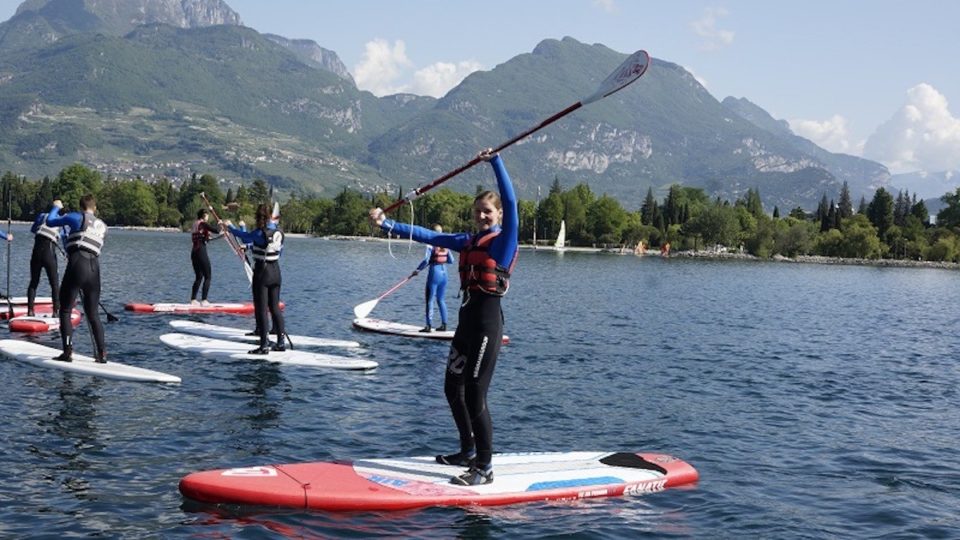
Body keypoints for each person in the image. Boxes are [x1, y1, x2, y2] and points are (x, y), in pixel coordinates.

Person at [369, 148, 518, 486]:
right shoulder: (466, 241)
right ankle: (466, 450)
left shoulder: (503, 243)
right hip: (466, 325)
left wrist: (495, 162)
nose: (483, 216)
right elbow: (428, 235)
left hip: (486, 325)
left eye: (489, 212)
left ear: (498, 215)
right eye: (479, 211)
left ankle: (485, 466)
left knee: (476, 393)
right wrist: (386, 224)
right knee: (453, 388)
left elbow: (512, 203)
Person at [46, 195, 107, 363]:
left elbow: (50, 222)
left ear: (81, 207)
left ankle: (67, 352)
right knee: (93, 314)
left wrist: (56, 207)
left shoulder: (76, 217)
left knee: (65, 310)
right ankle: (102, 354)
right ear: (94, 208)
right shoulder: (103, 226)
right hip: (95, 269)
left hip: (77, 265)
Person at [228, 204, 285, 354]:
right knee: (274, 308)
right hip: (276, 272)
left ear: (258, 217)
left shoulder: (259, 233)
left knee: (261, 309)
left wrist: (229, 228)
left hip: (262, 273)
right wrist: (248, 246)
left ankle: (264, 345)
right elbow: (259, 245)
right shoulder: (278, 232)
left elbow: (245, 237)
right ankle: (280, 342)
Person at [413, 225, 455, 333]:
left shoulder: (430, 244)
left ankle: (428, 326)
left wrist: (417, 270)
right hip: (444, 273)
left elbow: (426, 260)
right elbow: (451, 260)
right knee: (441, 299)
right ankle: (444, 325)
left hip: (434, 273)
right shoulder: (445, 244)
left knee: (429, 299)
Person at [26, 206, 64, 316]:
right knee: (54, 284)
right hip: (49, 253)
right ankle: (56, 312)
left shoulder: (42, 216)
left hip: (36, 252)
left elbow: (33, 230)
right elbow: (63, 236)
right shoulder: (61, 221)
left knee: (34, 282)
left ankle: (30, 311)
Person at [190, 208, 222, 306]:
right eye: (207, 215)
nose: (208, 217)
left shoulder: (195, 224)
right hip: (201, 252)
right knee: (208, 276)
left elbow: (205, 239)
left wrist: (221, 236)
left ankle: (193, 300)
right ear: (204, 215)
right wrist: (220, 223)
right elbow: (216, 230)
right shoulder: (203, 224)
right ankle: (204, 300)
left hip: (194, 253)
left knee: (199, 277)